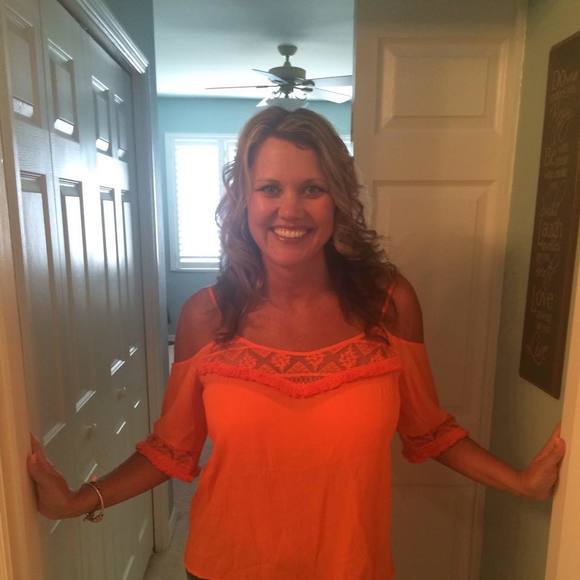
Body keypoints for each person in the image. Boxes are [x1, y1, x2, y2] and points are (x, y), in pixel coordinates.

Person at [27, 107, 565, 580]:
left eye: (312, 189)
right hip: (226, 568)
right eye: (270, 189)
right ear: (243, 199)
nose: (291, 209)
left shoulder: (389, 304)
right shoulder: (206, 316)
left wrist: (522, 483)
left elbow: (430, 430)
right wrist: (76, 501)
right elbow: (171, 449)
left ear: (339, 201)